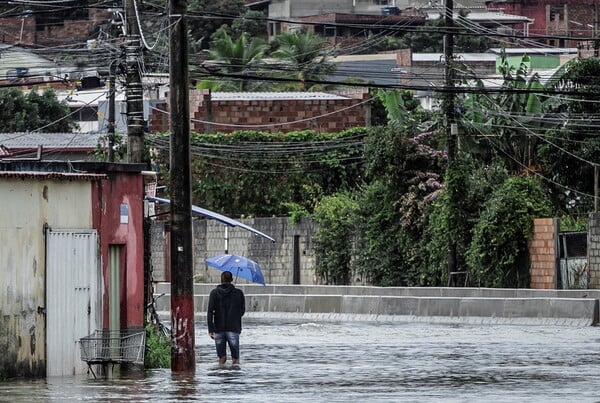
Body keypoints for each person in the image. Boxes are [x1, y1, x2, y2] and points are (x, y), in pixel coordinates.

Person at [207, 270, 246, 366]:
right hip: (233, 328)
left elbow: (210, 312)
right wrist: (235, 317)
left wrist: (211, 329)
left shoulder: (214, 293)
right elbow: (242, 311)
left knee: (222, 358)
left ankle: (221, 376)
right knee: (235, 359)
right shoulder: (238, 293)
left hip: (218, 328)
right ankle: (234, 377)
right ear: (232, 280)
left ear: (221, 280)